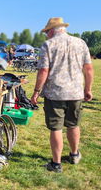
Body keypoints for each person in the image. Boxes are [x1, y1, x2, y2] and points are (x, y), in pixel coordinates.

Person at [31, 17, 93, 173]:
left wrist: (36, 92)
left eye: (47, 32)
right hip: (76, 92)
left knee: (56, 128)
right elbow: (89, 69)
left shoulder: (48, 45)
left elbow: (44, 71)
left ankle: (56, 163)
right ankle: (74, 154)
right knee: (73, 125)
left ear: (52, 30)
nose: (46, 35)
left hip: (55, 93)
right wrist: (88, 89)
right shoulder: (80, 43)